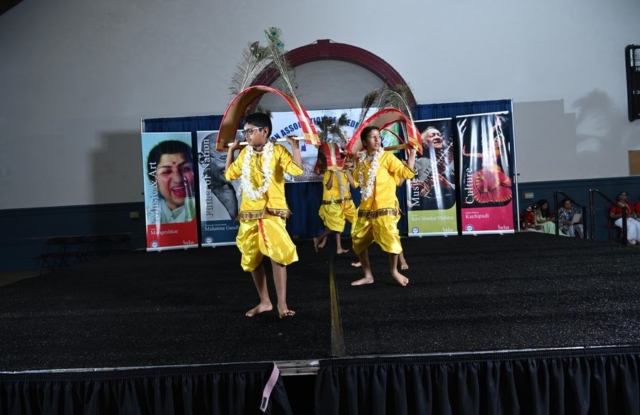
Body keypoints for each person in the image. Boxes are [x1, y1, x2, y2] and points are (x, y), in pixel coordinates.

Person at [224, 112, 303, 318]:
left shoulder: (278, 151)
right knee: (252, 258)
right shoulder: (245, 154)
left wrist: (295, 147)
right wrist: (231, 151)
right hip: (249, 213)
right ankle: (265, 302)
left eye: (250, 131)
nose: (247, 136)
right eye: (245, 132)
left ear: (264, 131)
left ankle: (282, 305)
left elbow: (296, 171)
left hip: (272, 212)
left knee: (277, 255)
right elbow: (229, 174)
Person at [348, 126, 417, 286]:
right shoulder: (363, 161)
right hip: (366, 209)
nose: (377, 139)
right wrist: (352, 164)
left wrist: (412, 154)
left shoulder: (387, 157)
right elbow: (357, 181)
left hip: (385, 207)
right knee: (358, 242)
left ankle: (394, 271)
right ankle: (368, 276)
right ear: (364, 142)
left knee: (391, 241)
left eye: (378, 136)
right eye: (372, 137)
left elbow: (407, 174)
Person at [146, 140, 196, 224]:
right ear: (153, 180)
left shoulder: (208, 211)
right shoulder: (149, 215)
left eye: (185, 169)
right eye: (166, 172)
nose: (178, 179)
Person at [313, 165, 357, 255]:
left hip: (341, 201)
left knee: (336, 224)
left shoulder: (345, 172)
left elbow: (354, 184)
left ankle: (337, 247)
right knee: (337, 224)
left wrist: (348, 171)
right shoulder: (328, 173)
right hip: (331, 202)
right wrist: (332, 173)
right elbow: (328, 187)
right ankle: (320, 239)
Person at [414, 127, 455, 210]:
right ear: (424, 143)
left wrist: (448, 185)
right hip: (424, 209)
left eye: (439, 135)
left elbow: (465, 187)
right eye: (432, 136)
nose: (438, 137)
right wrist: (415, 187)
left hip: (449, 208)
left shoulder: (454, 162)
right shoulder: (418, 162)